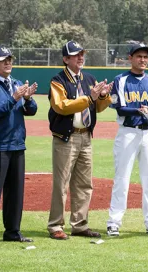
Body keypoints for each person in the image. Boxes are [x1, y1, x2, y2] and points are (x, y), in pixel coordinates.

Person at [47, 41, 113, 240]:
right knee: (62, 183)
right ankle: (55, 225)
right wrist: (89, 98)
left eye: (82, 54)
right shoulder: (58, 80)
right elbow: (61, 106)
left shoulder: (89, 78)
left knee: (84, 183)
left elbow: (98, 108)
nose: (80, 58)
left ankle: (80, 224)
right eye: (76, 55)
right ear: (66, 59)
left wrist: (103, 95)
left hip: (86, 136)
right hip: (66, 138)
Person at [0, 46, 38, 246]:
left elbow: (31, 111)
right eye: (3, 60)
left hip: (17, 144)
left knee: (15, 192)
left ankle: (12, 231)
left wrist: (27, 99)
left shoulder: (17, 84)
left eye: (10, 59)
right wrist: (14, 98)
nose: (8, 63)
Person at [106, 44, 148, 237]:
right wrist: (141, 110)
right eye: (139, 56)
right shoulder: (121, 80)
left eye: (146, 57)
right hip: (128, 132)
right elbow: (120, 108)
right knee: (122, 178)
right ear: (130, 58)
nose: (143, 60)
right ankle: (114, 222)